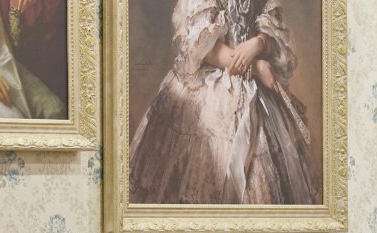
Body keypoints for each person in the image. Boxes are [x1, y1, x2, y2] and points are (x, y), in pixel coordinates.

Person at [128, 0, 318, 206]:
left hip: (256, 91)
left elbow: (267, 19)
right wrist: (255, 67)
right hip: (212, 90)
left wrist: (260, 42)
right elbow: (203, 47)